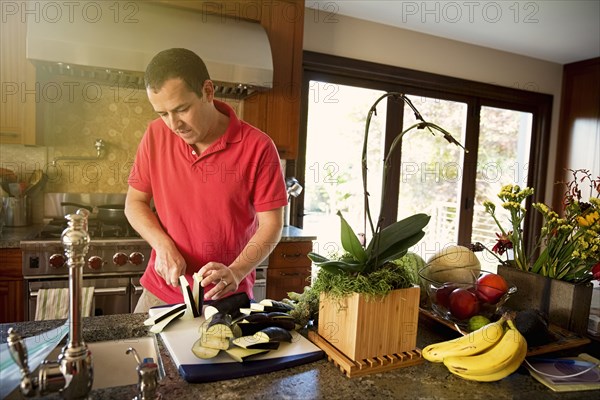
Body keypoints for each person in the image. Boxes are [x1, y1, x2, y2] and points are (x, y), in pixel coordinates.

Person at [126, 48, 287, 312]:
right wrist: (162, 245)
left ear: (208, 92)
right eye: (162, 113)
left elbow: (272, 224)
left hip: (225, 297)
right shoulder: (155, 136)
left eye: (182, 109)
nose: (173, 124)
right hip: (161, 293)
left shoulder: (258, 147)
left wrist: (236, 272)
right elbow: (134, 202)